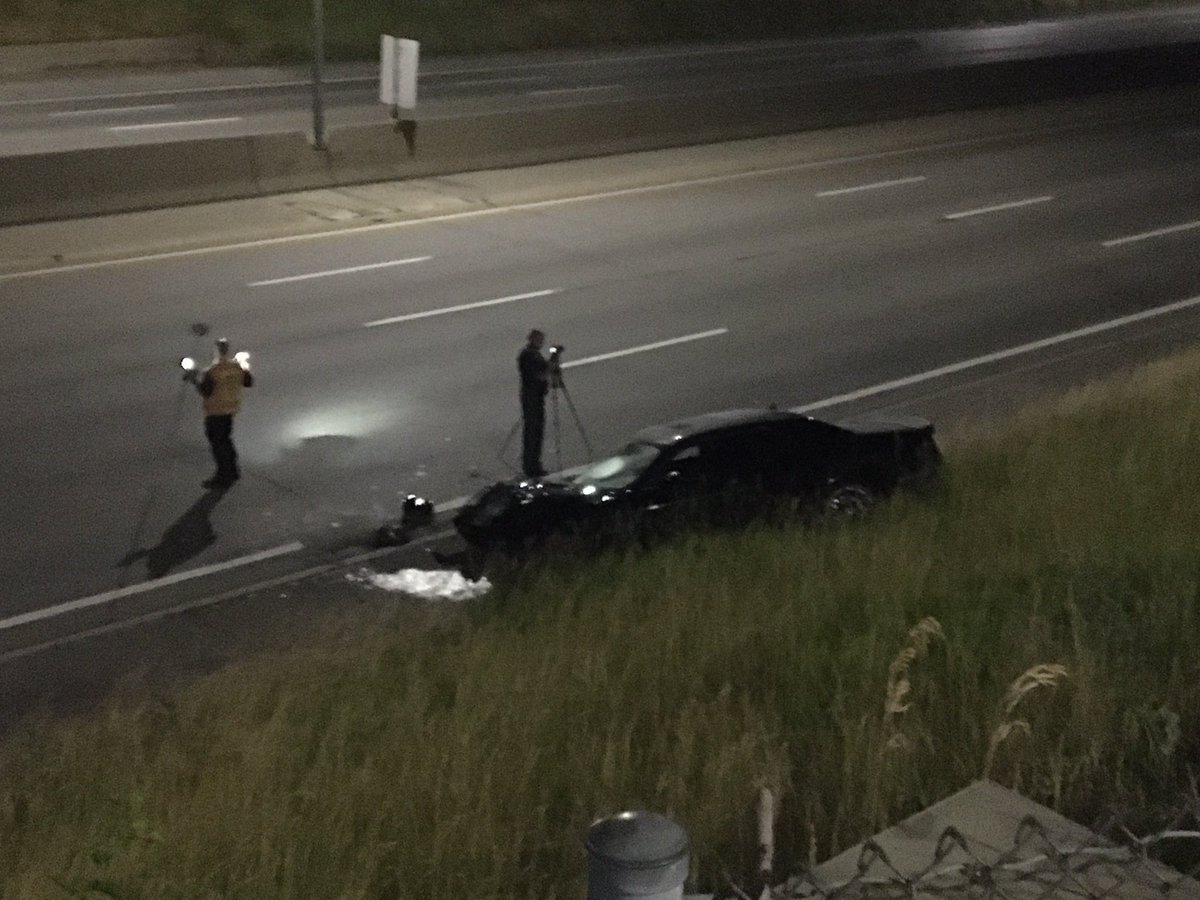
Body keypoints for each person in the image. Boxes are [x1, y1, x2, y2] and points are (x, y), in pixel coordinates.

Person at [188, 337, 254, 489]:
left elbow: (206, 391)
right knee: (226, 440)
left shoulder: (213, 371)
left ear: (216, 351)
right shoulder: (236, 367)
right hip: (230, 410)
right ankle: (233, 470)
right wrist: (245, 367)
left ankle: (223, 475)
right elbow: (248, 382)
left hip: (215, 412)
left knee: (218, 445)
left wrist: (194, 380)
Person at [518, 329, 550, 478]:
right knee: (532, 432)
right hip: (531, 398)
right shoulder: (527, 356)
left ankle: (534, 463)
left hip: (536, 397)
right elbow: (536, 375)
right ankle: (531, 465)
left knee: (536, 431)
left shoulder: (533, 355)